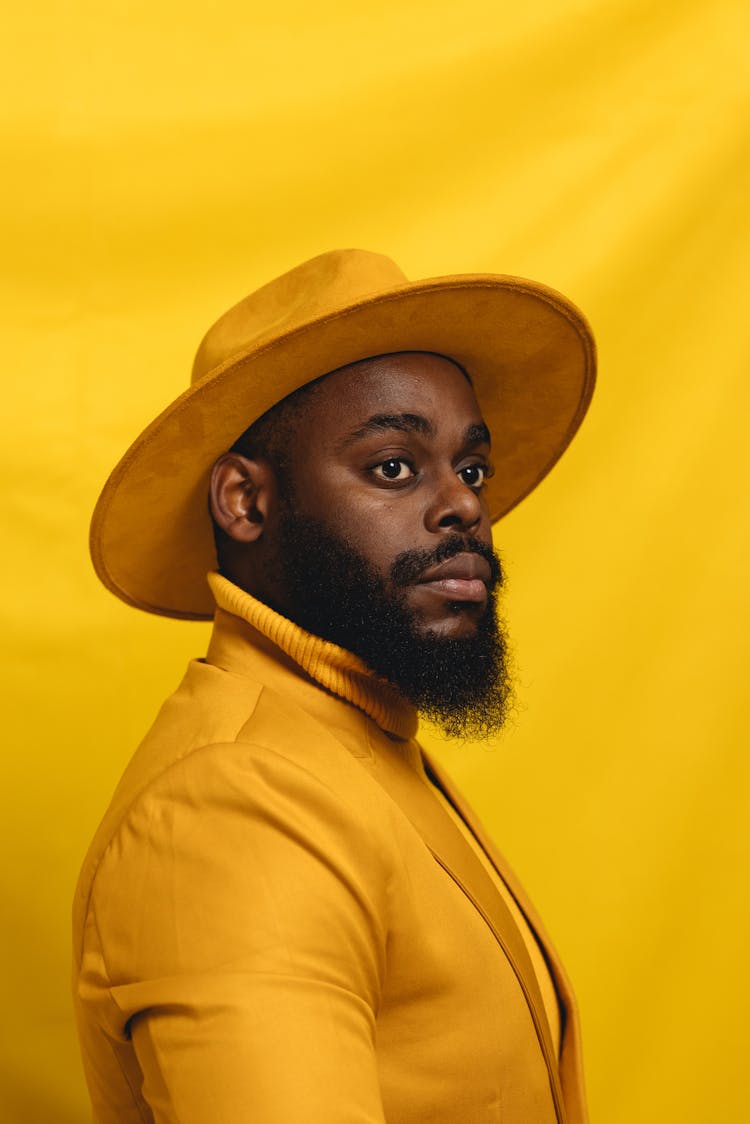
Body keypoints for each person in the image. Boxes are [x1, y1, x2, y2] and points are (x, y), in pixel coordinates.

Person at [73, 248, 596, 1124]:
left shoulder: (353, 745)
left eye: (471, 469)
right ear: (244, 502)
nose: (464, 507)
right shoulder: (234, 806)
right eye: (393, 466)